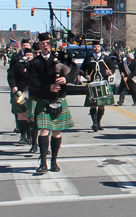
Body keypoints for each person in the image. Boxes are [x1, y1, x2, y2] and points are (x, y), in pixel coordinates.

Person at [27, 33, 77, 173]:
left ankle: (54, 161)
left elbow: (74, 70)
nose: (45, 46)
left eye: (47, 43)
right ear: (39, 45)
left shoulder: (61, 58)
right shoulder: (34, 63)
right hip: (44, 99)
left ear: (51, 44)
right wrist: (48, 87)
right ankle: (43, 163)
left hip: (59, 98)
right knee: (44, 129)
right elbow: (32, 83)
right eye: (42, 43)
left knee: (56, 131)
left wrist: (66, 80)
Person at [80, 40, 116, 132]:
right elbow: (82, 70)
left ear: (100, 48)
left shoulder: (106, 58)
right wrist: (86, 75)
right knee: (93, 105)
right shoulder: (88, 58)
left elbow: (113, 67)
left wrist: (110, 72)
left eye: (98, 46)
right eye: (95, 46)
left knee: (101, 106)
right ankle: (94, 123)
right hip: (92, 84)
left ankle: (98, 123)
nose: (96, 48)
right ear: (92, 48)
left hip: (102, 83)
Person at [9, 48, 34, 145]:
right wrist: (13, 86)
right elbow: (11, 76)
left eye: (30, 55)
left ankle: (31, 136)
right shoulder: (18, 65)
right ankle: (23, 136)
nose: (29, 57)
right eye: (27, 55)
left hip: (32, 93)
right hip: (20, 92)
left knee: (32, 116)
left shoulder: (35, 65)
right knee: (21, 115)